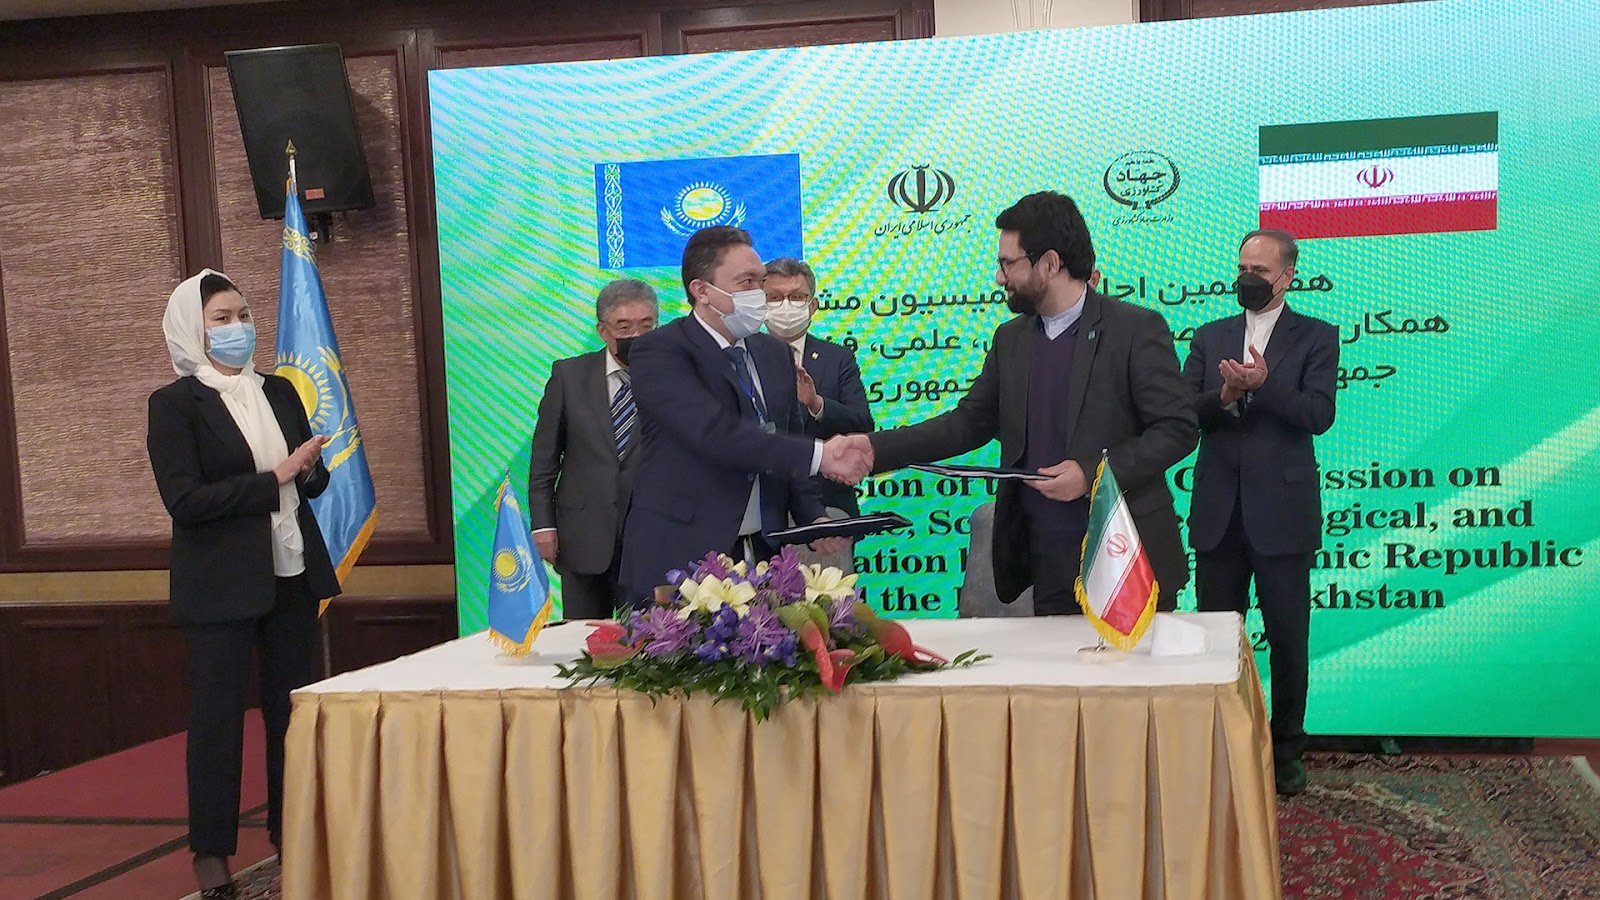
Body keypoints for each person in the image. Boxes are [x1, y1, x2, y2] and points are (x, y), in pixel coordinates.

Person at [837, 191, 1197, 614]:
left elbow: (1177, 429)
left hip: (1127, 562)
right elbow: (968, 423)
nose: (999, 277)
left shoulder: (1134, 329)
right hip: (1047, 559)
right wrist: (875, 447)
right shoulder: (1011, 339)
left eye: (1008, 263)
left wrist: (1092, 473)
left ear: (1050, 263)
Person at [146, 270, 341, 899]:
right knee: (218, 720)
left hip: (291, 574)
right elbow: (185, 501)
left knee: (291, 713)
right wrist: (276, 476)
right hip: (220, 584)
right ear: (193, 330)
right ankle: (211, 854)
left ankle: (293, 832)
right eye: (222, 319)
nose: (238, 328)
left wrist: (308, 471)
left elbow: (309, 483)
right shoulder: (174, 405)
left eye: (243, 314)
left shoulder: (279, 389)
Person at [617, 226, 863, 606]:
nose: (759, 294)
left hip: (763, 556)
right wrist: (822, 455)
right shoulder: (659, 352)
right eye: (746, 282)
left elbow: (788, 437)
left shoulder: (774, 353)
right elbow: (717, 435)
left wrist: (813, 518)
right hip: (681, 557)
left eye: (760, 281)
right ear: (702, 291)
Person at [1182, 228, 1338, 797]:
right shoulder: (1210, 336)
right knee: (1216, 637)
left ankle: (1288, 751)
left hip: (1283, 516)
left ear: (1287, 277)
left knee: (1288, 639)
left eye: (1260, 271)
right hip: (1219, 513)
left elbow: (1318, 414)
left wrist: (1264, 387)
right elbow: (1183, 411)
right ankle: (1217, 745)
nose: (1248, 278)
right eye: (1242, 268)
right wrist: (1225, 396)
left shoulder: (1317, 336)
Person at [528, 279, 658, 619]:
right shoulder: (569, 376)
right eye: (624, 327)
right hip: (582, 537)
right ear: (603, 330)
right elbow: (544, 461)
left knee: (650, 640)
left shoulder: (673, 377)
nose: (636, 336)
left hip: (650, 539)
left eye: (647, 326)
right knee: (583, 639)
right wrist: (543, 526)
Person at [763, 257, 874, 517]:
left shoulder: (838, 358)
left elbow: (862, 423)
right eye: (774, 298)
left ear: (812, 306)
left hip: (827, 505)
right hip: (762, 506)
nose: (786, 306)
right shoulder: (740, 356)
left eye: (796, 297)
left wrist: (817, 404)